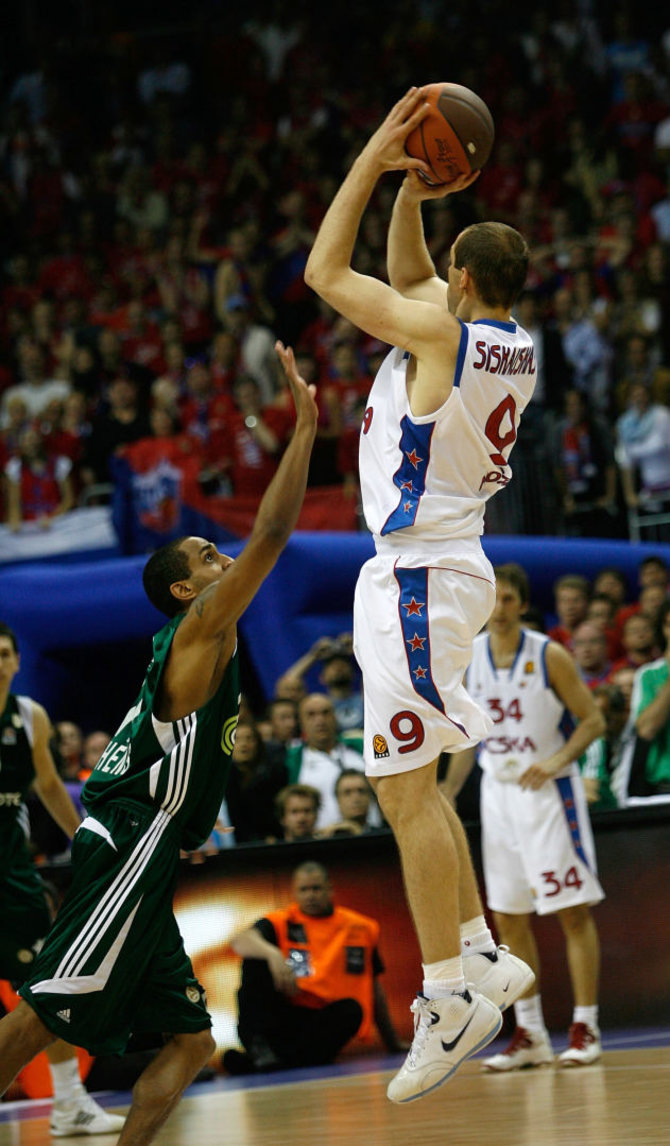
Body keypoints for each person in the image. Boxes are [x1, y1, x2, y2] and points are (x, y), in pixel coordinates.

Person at [0, 342, 318, 1146]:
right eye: (210, 557)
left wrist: (190, 826)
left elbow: (174, 761)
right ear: (186, 589)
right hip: (130, 844)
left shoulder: (204, 642)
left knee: (192, 1039)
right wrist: (305, 429)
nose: (224, 557)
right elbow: (276, 530)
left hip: (150, 840)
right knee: (45, 1011)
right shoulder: (200, 627)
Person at [303, 87, 536, 1103]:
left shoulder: (440, 340)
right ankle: (480, 950)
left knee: (402, 790)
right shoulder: (499, 341)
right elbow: (411, 274)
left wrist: (374, 154)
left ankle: (446, 993)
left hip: (417, 573)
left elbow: (323, 271)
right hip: (444, 571)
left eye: (446, 273)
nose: (431, 281)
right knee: (426, 775)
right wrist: (414, 187)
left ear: (465, 282)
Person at [443, 564, 606, 1072]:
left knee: (571, 911)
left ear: (521, 604)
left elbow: (594, 719)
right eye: (493, 598)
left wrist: (558, 760)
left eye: (508, 598)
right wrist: (447, 791)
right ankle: (531, 1032)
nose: (499, 607)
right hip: (499, 795)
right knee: (510, 918)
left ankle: (586, 1025)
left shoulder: (548, 654)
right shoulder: (471, 660)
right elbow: (470, 738)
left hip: (549, 794)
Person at [0, 623, 125, 1137]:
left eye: (5, 652)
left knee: (46, 987)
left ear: (17, 661)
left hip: (13, 878)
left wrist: (85, 841)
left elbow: (51, 786)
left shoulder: (30, 717)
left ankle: (70, 1101)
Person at [222, 861, 405, 1074]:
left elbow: (373, 987)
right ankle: (259, 1048)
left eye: (316, 889)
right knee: (255, 957)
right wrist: (273, 955)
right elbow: (239, 942)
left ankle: (269, 1064)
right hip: (281, 1017)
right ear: (295, 893)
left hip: (318, 1025)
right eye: (304, 890)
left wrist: (392, 1042)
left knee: (352, 1009)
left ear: (330, 889)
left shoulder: (360, 927)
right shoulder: (281, 921)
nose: (310, 895)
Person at [285, 694, 373, 829]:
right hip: (322, 842)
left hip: (372, 835)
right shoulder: (292, 761)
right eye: (311, 715)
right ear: (301, 723)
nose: (320, 720)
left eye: (325, 713)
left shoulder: (360, 747)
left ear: (335, 717)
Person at [275, 634, 364, 732]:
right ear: (322, 678)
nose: (338, 668)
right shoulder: (316, 707)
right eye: (332, 666)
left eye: (342, 664)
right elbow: (287, 684)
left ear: (353, 673)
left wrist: (359, 649)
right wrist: (313, 655)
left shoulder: (365, 699)